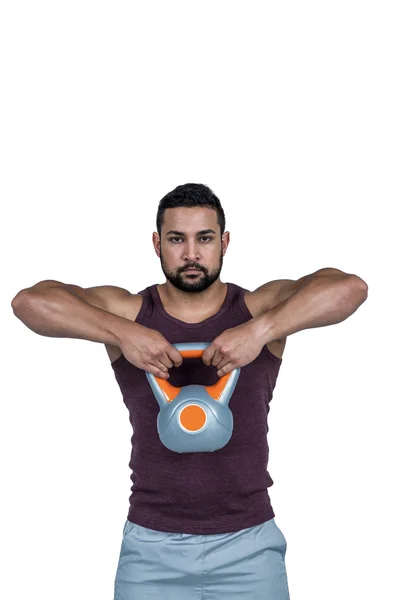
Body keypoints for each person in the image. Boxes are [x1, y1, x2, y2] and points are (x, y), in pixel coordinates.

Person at [11, 183, 368, 599]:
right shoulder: (128, 312)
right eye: (177, 239)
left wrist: (260, 332)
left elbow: (351, 288)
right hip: (150, 545)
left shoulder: (259, 309)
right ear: (157, 244)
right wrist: (124, 334)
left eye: (205, 238)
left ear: (225, 243)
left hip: (249, 544)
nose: (192, 254)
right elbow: (28, 302)